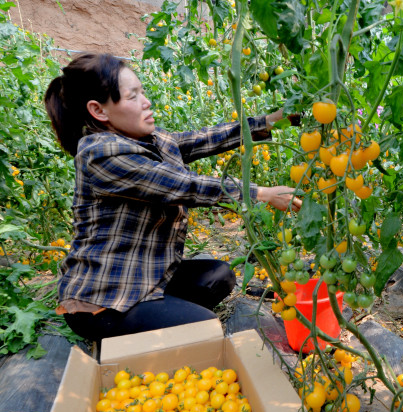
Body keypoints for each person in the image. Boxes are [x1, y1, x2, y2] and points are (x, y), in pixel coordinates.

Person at [44, 52, 301, 346]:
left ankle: (155, 317)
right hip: (103, 300)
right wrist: (261, 194)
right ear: (99, 111)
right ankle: (120, 333)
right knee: (205, 329)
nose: (146, 102)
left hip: (144, 278)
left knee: (219, 275)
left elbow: (205, 138)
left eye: (142, 92)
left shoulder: (146, 140)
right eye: (133, 97)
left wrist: (274, 120)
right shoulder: (99, 154)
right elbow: (184, 186)